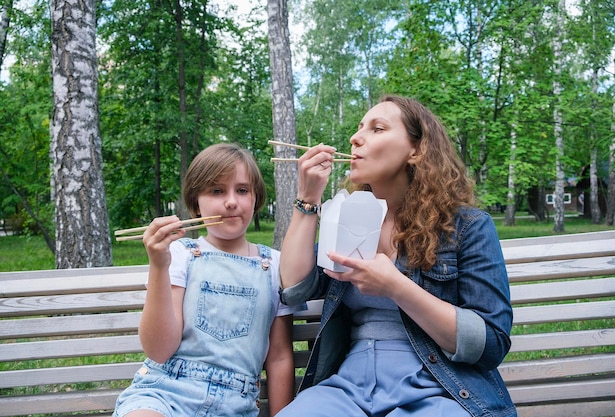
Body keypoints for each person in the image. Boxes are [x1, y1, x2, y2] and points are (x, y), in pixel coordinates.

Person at [277, 95, 517, 417]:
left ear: (416, 151)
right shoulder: (350, 218)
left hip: (437, 385)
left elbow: (489, 343)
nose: (355, 137)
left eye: (377, 128)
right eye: (359, 127)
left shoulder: (466, 227)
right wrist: (307, 198)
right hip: (350, 386)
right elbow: (294, 286)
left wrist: (396, 287)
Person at [114, 143, 299, 417]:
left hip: (236, 404)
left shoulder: (273, 265)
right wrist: (158, 265)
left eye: (242, 190)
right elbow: (159, 350)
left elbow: (280, 356)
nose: (231, 201)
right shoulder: (180, 255)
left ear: (255, 198)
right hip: (166, 390)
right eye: (216, 190)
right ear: (196, 204)